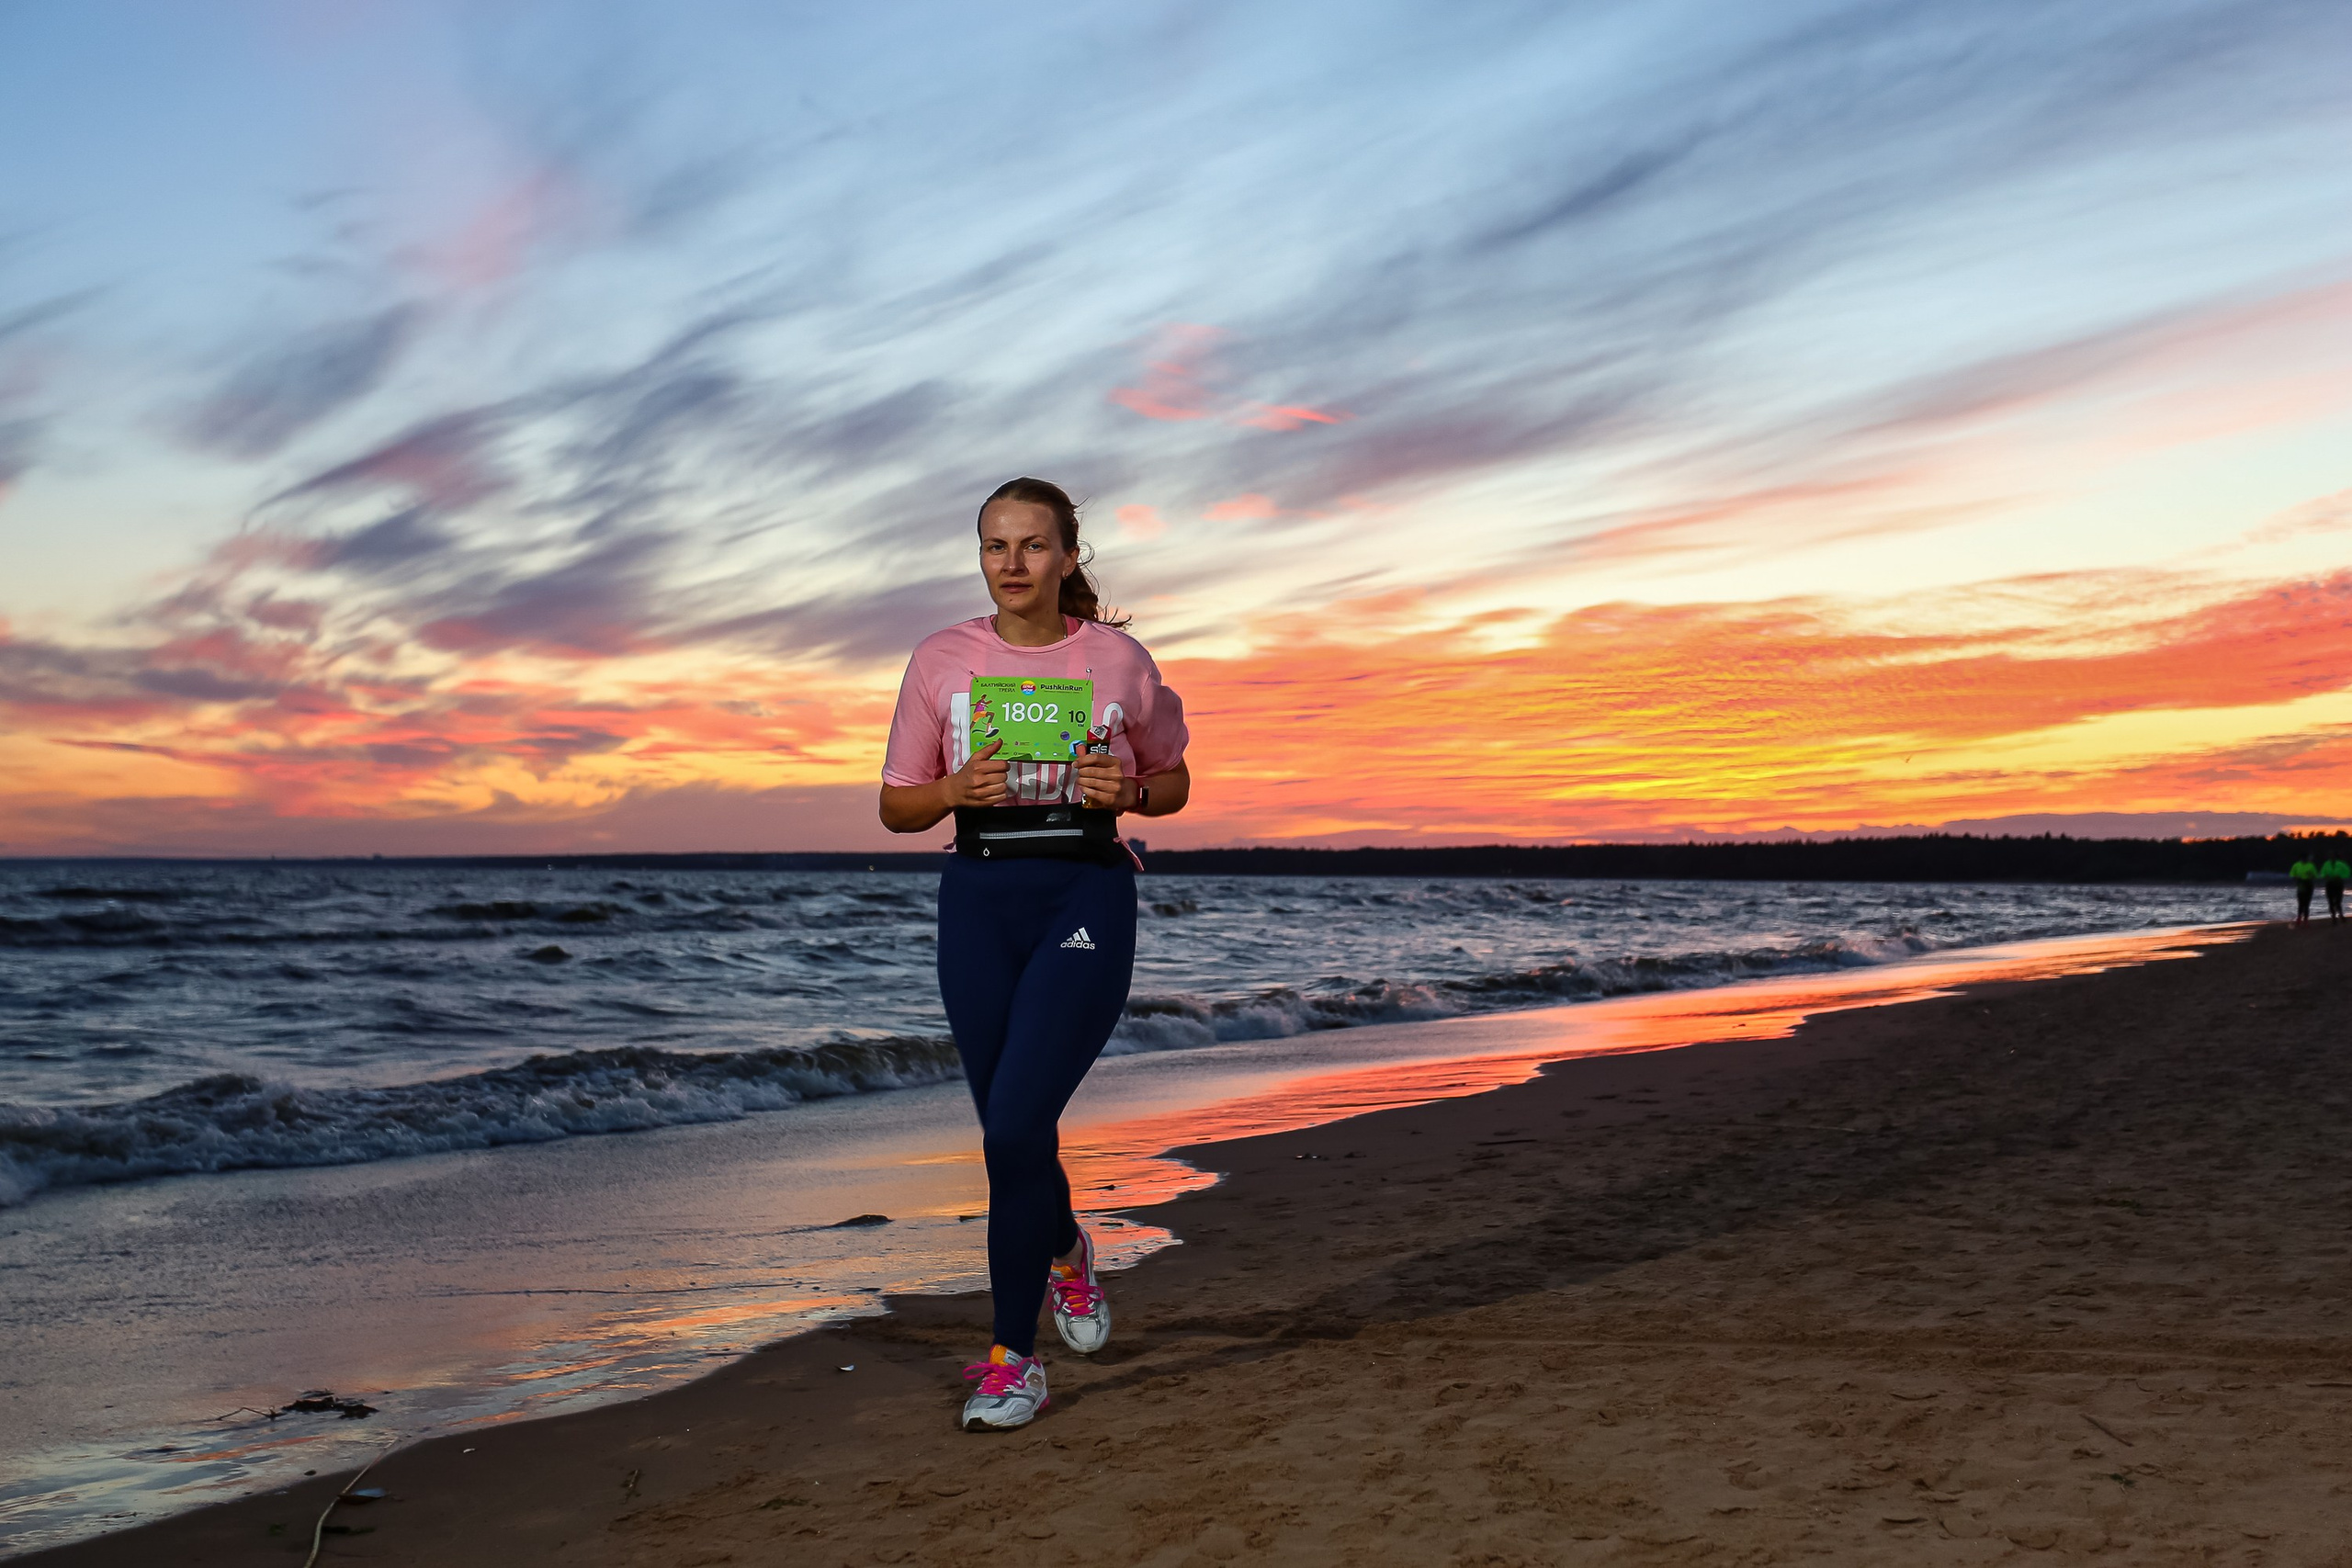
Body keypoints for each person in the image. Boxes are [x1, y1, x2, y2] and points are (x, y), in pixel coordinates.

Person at [878, 477, 1191, 1432]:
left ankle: (1014, 1361)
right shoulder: (940, 660)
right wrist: (955, 787)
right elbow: (895, 805)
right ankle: (1065, 1250)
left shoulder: (1118, 661)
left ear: (1067, 556)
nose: (1011, 565)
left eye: (1031, 546)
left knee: (1014, 1128)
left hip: (1083, 891)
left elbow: (1173, 780)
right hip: (976, 899)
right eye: (993, 547)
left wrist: (1128, 791)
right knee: (1011, 1136)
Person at [2290, 852, 2319, 926]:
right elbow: (2292, 875)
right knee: (2301, 903)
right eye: (2302, 858)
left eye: (2305, 858)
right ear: (2300, 858)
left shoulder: (2311, 865)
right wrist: (2297, 879)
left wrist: (2310, 876)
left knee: (2307, 904)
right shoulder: (2296, 865)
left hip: (2309, 885)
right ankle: (2299, 918)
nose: (2304, 860)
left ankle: (2305, 920)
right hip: (2301, 885)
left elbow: (2315, 876)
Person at [2323, 849, 2350, 924]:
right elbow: (2322, 873)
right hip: (2330, 884)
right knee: (2331, 902)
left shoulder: (2341, 863)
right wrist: (2326, 876)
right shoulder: (2326, 864)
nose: (2331, 856)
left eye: (2332, 855)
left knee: (2338, 901)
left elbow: (2347, 872)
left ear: (2335, 856)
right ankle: (2334, 917)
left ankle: (2341, 915)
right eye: (2329, 855)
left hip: (2338, 884)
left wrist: (2340, 876)